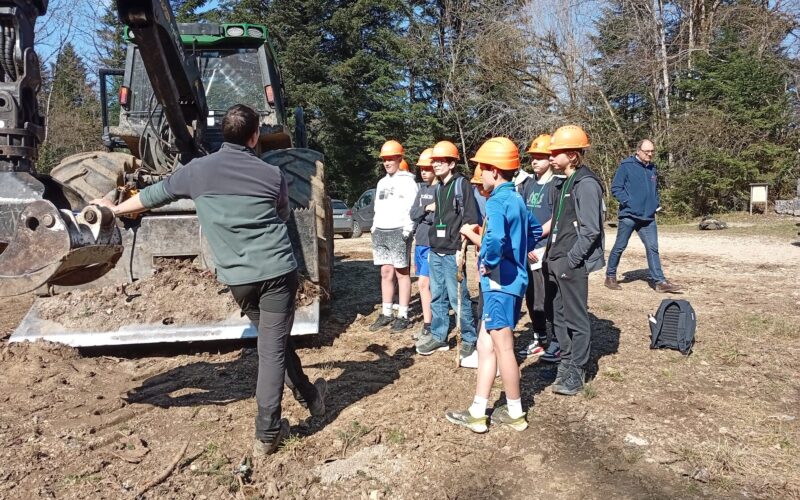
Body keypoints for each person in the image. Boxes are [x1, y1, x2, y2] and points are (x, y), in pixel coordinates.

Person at [91, 104, 326, 456]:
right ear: (254, 136)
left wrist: (112, 210)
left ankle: (309, 395)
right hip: (276, 273)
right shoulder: (272, 175)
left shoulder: (195, 171)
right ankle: (268, 433)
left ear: (222, 135)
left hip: (239, 280)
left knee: (271, 343)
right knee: (272, 349)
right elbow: (282, 213)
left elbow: (152, 197)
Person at [445, 137, 542, 433]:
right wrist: (517, 247)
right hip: (510, 283)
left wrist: (487, 260)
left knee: (504, 348)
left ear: (495, 171)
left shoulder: (499, 200)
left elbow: (496, 241)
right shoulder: (517, 198)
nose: (480, 176)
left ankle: (515, 412)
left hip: (500, 285)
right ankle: (477, 410)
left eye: (482, 170)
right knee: (486, 346)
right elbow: (535, 230)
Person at [545, 125, 606, 396]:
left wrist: (573, 259)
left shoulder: (587, 184)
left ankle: (578, 370)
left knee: (576, 318)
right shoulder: (563, 182)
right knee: (558, 316)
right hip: (555, 259)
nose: (550, 157)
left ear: (572, 155)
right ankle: (566, 362)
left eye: (555, 152)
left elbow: (591, 229)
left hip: (571, 262)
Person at [415, 140, 480, 368]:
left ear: (452, 163)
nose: (436, 165)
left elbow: (472, 220)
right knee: (437, 296)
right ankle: (438, 335)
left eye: (441, 161)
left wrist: (463, 249)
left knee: (457, 297)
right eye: (434, 161)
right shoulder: (439, 187)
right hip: (436, 250)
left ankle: (469, 339)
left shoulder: (462, 185)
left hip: (453, 252)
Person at [605, 139, 681, 293]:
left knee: (653, 248)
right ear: (638, 150)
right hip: (629, 216)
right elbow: (616, 188)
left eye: (652, 151)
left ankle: (660, 282)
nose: (650, 154)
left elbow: (654, 189)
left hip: (648, 217)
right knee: (620, 246)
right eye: (647, 151)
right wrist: (628, 202)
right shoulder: (626, 166)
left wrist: (655, 204)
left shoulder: (652, 168)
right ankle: (610, 276)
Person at [369, 140, 419, 332]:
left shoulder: (408, 182)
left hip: (399, 231)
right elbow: (378, 206)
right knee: (386, 272)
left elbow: (413, 208)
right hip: (381, 230)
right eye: (384, 159)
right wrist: (374, 225)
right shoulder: (382, 182)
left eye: (391, 159)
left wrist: (408, 228)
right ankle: (387, 312)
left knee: (402, 272)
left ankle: (403, 314)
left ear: (399, 158)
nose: (387, 162)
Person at [518, 134, 559, 362]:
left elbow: (556, 217)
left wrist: (537, 236)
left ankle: (553, 340)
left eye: (540, 157)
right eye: (533, 157)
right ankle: (539, 336)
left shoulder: (555, 185)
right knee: (531, 295)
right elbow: (521, 213)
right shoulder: (528, 184)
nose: (534, 161)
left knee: (545, 297)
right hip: (528, 247)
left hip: (544, 248)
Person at [409, 148, 437, 340]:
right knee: (424, 283)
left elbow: (439, 216)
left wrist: (424, 213)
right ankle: (429, 321)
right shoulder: (422, 190)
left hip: (432, 242)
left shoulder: (441, 189)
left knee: (424, 283)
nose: (424, 172)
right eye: (421, 169)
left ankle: (430, 323)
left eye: (427, 168)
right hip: (419, 241)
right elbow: (413, 214)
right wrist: (426, 208)